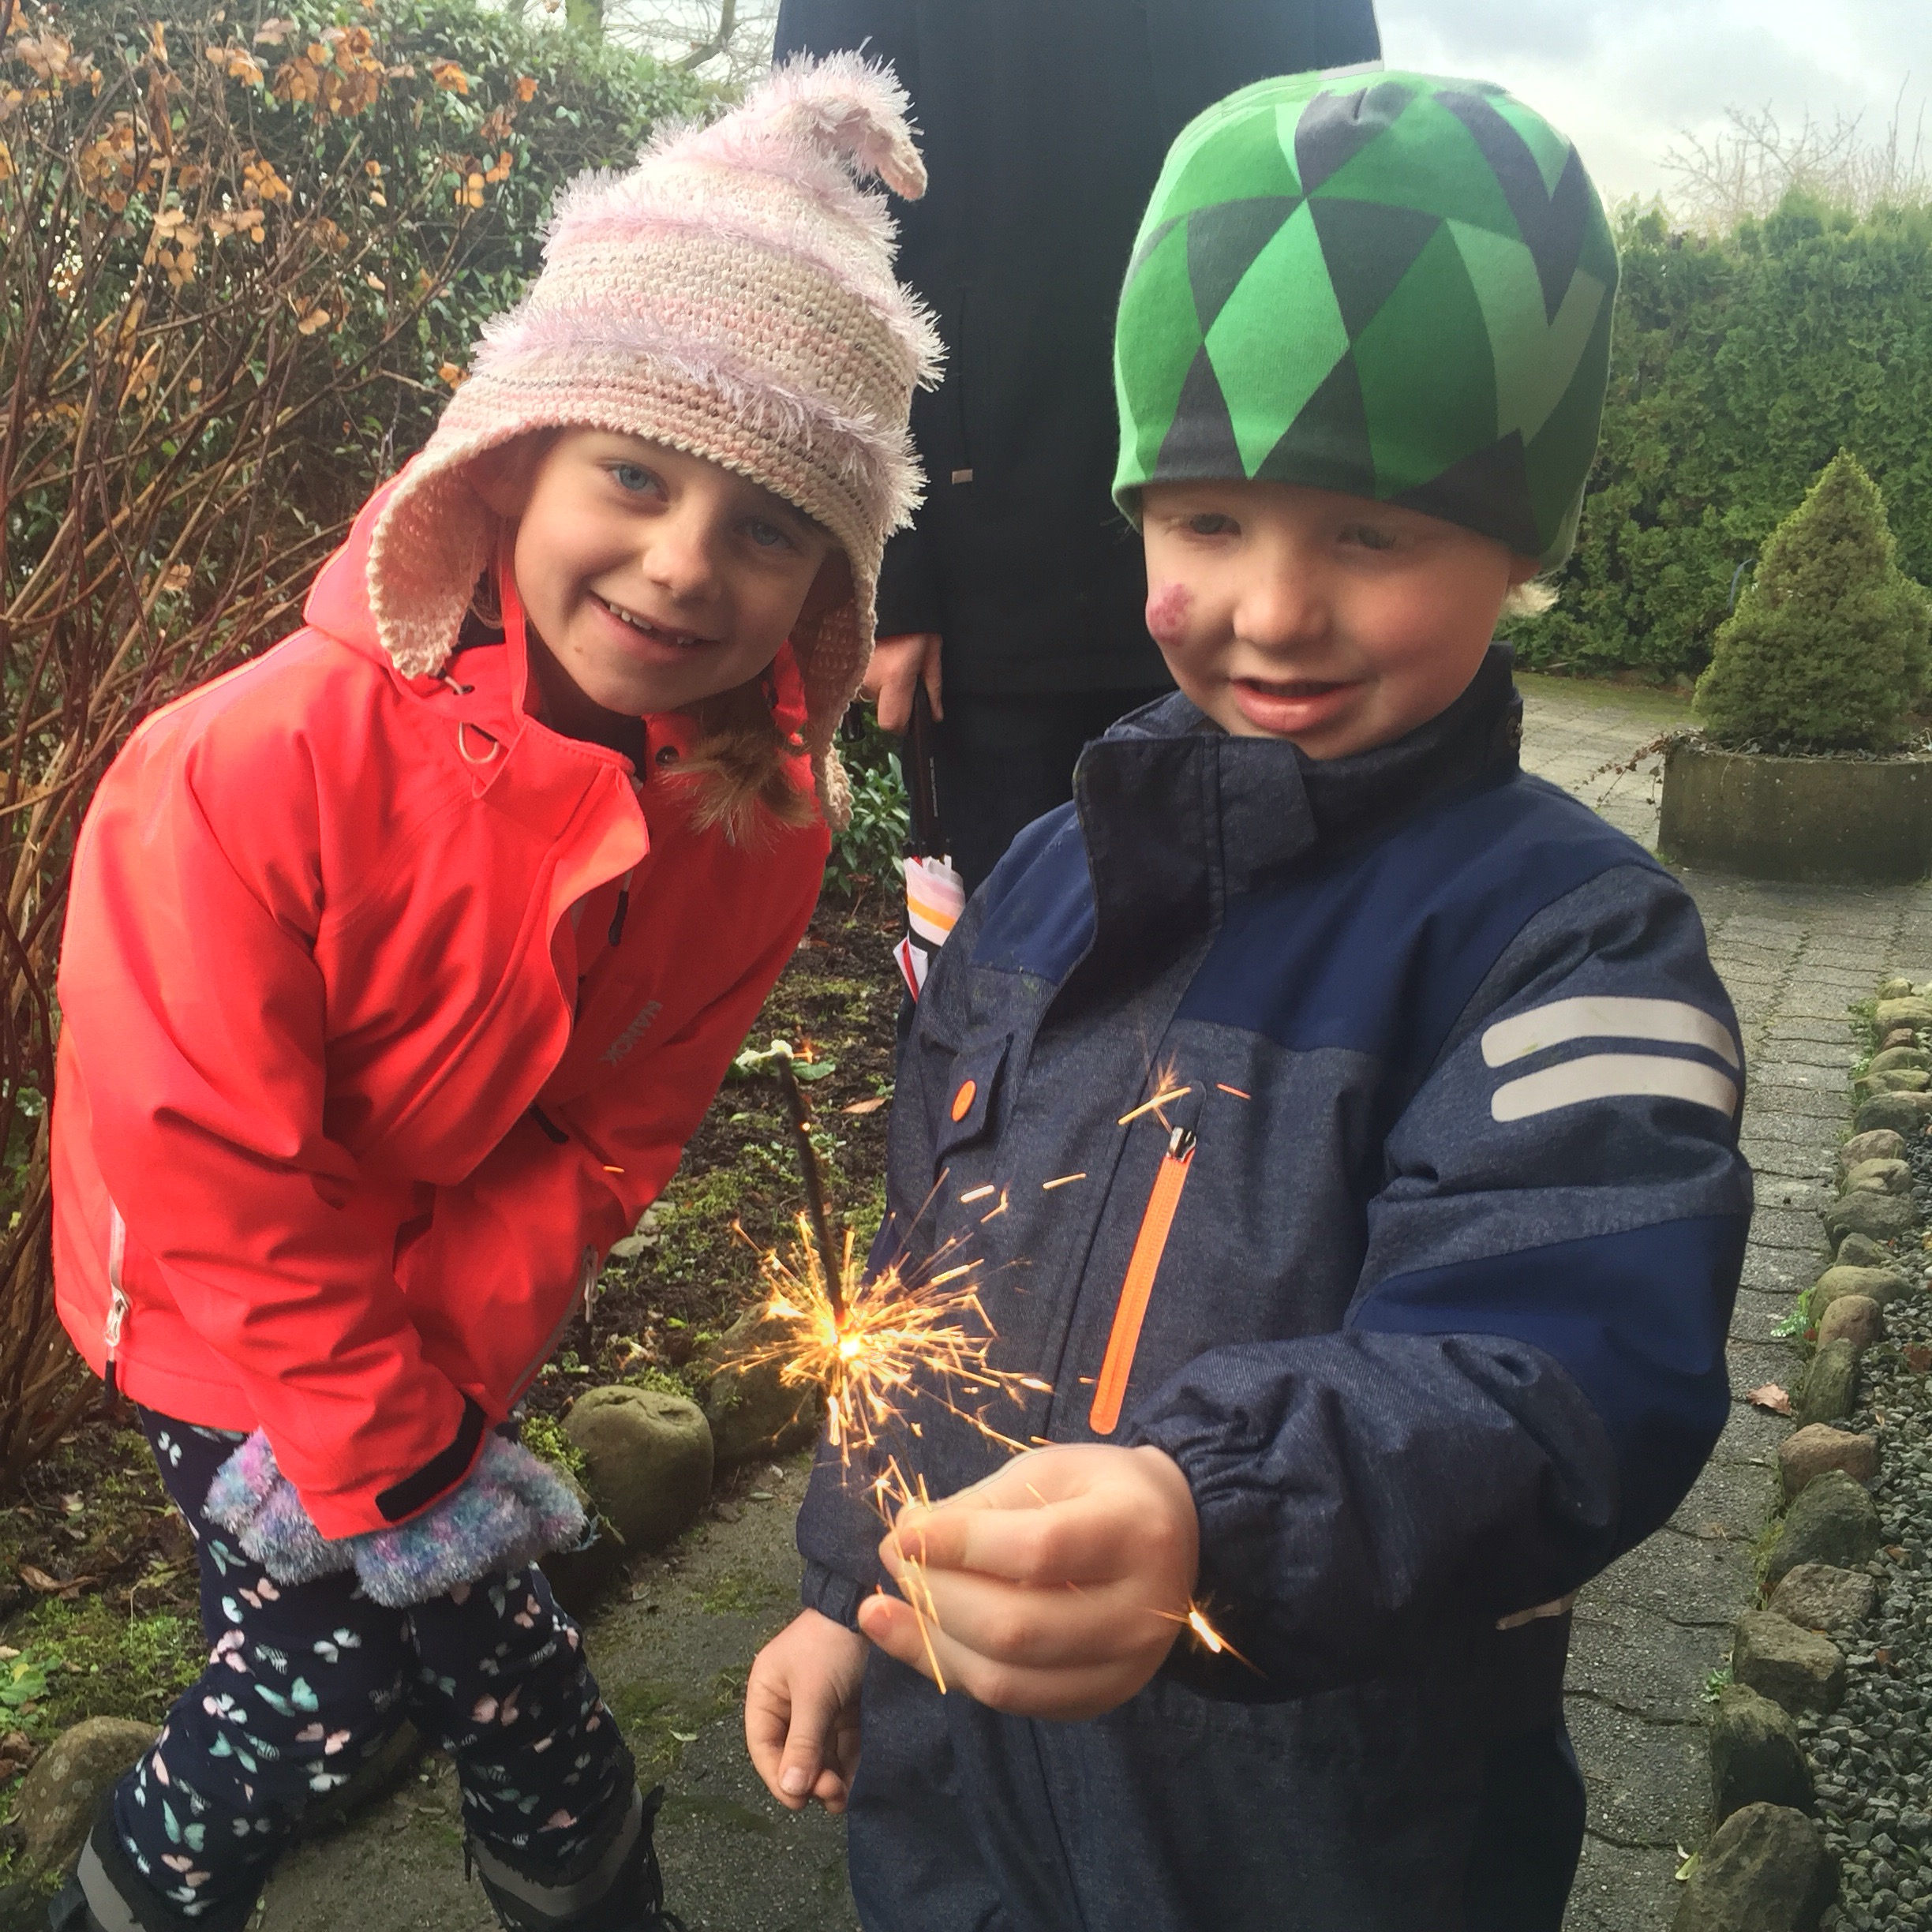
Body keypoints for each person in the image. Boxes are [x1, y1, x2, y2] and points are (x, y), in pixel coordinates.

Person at [745, 69, 1752, 1930]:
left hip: (1309, 1842)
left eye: (1368, 535)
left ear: (1518, 546)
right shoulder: (1041, 879)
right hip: (963, 1805)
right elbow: (916, 1270)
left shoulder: (1570, 945)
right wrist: (839, 1586)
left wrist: (1211, 1517)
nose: (1273, 609)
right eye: (1204, 519)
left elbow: (1555, 1371)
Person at [46, 56, 939, 1932]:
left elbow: (606, 1138)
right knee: (334, 1696)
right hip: (216, 1309)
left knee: (418, 1674)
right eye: (635, 473)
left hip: (426, 1333)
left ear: (826, 581)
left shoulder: (757, 832)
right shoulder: (247, 765)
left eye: (769, 522)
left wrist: (440, 1395)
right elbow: (206, 1157)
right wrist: (391, 1449)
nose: (684, 563)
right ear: (513, 456)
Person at [771, 0, 1383, 892]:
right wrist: (885, 569)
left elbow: (1362, 186)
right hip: (994, 574)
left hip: (1272, 544)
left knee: (1274, 943)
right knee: (1008, 950)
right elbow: (819, 220)